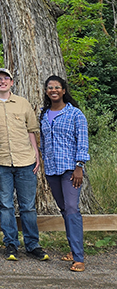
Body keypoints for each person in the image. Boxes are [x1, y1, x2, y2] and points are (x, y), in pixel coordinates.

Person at [0, 68, 49, 261]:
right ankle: (11, 244)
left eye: (6, 79)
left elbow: (31, 131)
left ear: (12, 82)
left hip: (25, 161)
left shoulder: (22, 103)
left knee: (28, 206)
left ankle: (33, 245)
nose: (2, 82)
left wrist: (37, 155)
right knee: (5, 206)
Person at [39, 75, 89, 272]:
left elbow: (82, 142)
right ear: (46, 91)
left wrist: (79, 166)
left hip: (70, 169)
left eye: (57, 87)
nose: (53, 90)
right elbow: (43, 142)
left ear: (63, 90)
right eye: (50, 88)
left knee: (71, 209)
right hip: (52, 170)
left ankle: (79, 257)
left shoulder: (75, 114)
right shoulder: (44, 114)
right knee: (63, 209)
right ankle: (72, 249)